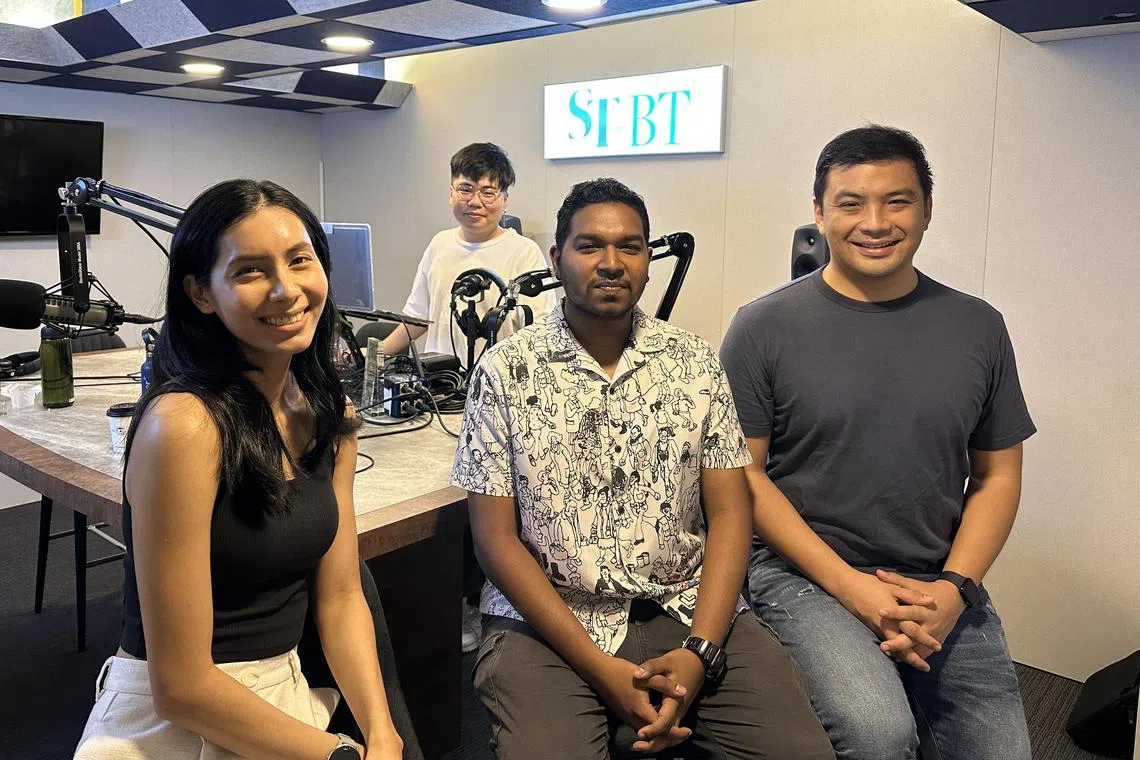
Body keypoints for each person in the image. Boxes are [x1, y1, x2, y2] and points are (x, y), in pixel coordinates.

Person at [451, 178, 834, 759]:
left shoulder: (695, 362)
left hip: (685, 604)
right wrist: (603, 671)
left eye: (630, 247)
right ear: (556, 258)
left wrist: (701, 650)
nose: (611, 263)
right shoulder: (506, 370)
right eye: (589, 246)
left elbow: (732, 514)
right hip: (548, 620)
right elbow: (495, 541)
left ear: (649, 261)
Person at [719, 125, 1036, 760]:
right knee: (878, 735)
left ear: (926, 210)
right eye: (851, 203)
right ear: (818, 211)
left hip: (936, 579)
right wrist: (851, 587)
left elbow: (997, 477)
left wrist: (955, 590)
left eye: (897, 201)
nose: (875, 222)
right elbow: (743, 477)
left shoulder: (978, 326)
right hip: (803, 575)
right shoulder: (762, 327)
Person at [75, 179, 405, 760]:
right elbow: (181, 687)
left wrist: (382, 733)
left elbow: (341, 594)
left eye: (300, 261)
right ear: (201, 294)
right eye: (250, 271)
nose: (286, 289)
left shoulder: (329, 418)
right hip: (175, 721)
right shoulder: (184, 426)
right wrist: (339, 755)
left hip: (283, 697)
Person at [382, 142, 557, 653]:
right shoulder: (439, 245)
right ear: (451, 190)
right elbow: (417, 320)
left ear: (504, 197)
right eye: (465, 188)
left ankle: (475, 601)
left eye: (488, 191)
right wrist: (369, 356)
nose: (475, 199)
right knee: (431, 496)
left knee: (478, 506)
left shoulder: (521, 253)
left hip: (497, 403)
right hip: (439, 397)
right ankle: (437, 598)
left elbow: (543, 331)